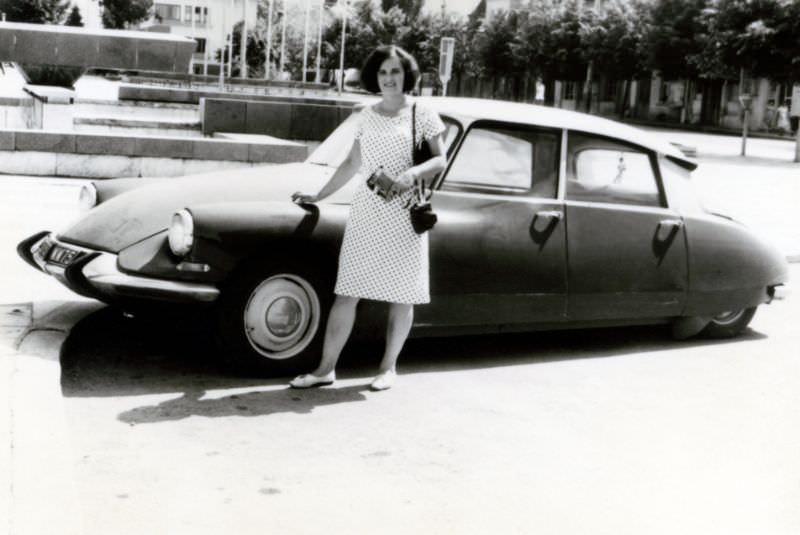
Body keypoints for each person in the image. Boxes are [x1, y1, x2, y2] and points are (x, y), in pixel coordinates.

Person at [289, 45, 447, 391]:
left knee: (402, 296)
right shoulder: (365, 115)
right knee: (347, 292)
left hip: (405, 215)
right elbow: (350, 164)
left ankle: (388, 368)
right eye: (383, 72)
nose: (389, 78)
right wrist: (318, 195)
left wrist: (411, 174)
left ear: (407, 75)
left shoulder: (423, 113)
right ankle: (325, 369)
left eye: (395, 71)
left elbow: (440, 161)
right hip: (367, 214)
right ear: (375, 77)